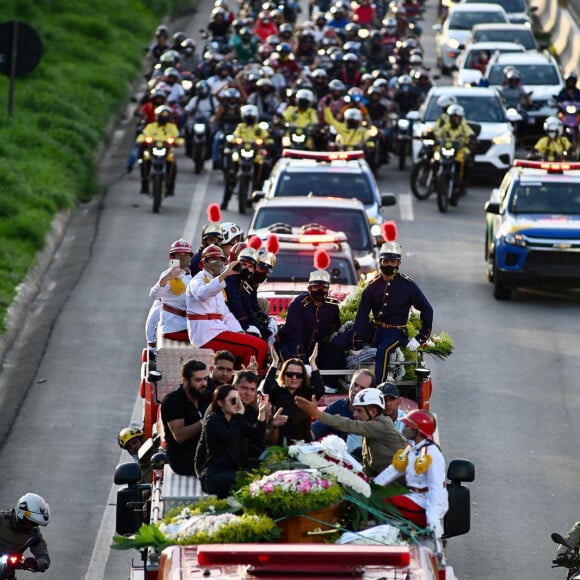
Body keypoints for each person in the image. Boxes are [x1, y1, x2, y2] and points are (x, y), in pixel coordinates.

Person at [335, 240, 433, 384]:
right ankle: (332, 382)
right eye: (385, 261)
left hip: (396, 332)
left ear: (399, 263)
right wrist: (357, 338)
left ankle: (377, 388)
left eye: (392, 262)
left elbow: (427, 309)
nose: (388, 265)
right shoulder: (373, 285)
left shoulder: (408, 286)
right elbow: (362, 314)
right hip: (374, 329)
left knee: (383, 351)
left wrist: (420, 337)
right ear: (380, 261)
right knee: (337, 342)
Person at [186, 245, 269, 369]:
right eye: (214, 260)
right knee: (258, 346)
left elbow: (226, 313)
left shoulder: (218, 282)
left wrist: (240, 332)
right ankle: (248, 380)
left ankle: (240, 377)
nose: (218, 263)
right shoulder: (198, 280)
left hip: (218, 329)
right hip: (206, 334)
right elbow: (202, 294)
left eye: (221, 260)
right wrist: (223, 276)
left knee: (256, 343)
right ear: (204, 263)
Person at [295, 388, 407, 477]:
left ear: (373, 412)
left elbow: (348, 424)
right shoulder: (371, 426)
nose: (355, 415)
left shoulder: (380, 425)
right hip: (386, 476)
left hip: (399, 481)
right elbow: (368, 464)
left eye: (359, 410)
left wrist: (317, 413)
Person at [374, 410, 448, 540]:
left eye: (408, 426)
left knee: (381, 500)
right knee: (376, 495)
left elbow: (437, 489)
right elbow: (393, 471)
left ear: (418, 431)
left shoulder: (432, 454)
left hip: (424, 504)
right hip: (414, 496)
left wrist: (433, 520)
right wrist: (370, 487)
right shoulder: (413, 449)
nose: (404, 428)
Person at [195, 384, 269, 498]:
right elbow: (228, 437)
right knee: (247, 477)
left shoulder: (236, 419)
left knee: (271, 468)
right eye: (233, 401)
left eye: (239, 400)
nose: (238, 404)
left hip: (233, 469)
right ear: (220, 403)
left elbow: (257, 437)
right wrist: (239, 415)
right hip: (214, 475)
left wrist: (262, 413)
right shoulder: (212, 421)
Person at [277, 269, 343, 371]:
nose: (320, 290)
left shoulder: (332, 306)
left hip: (316, 350)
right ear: (309, 288)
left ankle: (330, 385)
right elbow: (295, 336)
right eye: (316, 287)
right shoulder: (298, 304)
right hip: (294, 347)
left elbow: (334, 327)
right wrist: (303, 362)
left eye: (324, 287)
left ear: (328, 289)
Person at [262, 344, 325, 445]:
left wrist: (312, 363)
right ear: (283, 375)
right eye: (289, 374)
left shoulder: (306, 394)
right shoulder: (278, 392)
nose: (294, 378)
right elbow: (267, 387)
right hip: (279, 444)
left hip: (303, 444)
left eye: (299, 375)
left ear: (303, 377)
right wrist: (275, 362)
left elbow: (319, 390)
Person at [161, 359, 211, 475]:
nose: (203, 383)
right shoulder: (173, 401)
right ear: (185, 381)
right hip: (183, 459)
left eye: (205, 379)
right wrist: (205, 421)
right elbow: (179, 435)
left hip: (205, 451)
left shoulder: (205, 395)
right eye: (198, 380)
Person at [311, 369, 376, 442]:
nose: (356, 389)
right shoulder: (336, 407)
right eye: (355, 384)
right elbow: (317, 428)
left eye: (362, 388)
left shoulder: (376, 414)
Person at [149, 239, 194, 343]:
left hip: (189, 325)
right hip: (173, 327)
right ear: (172, 258)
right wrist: (167, 278)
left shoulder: (194, 276)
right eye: (179, 255)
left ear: (191, 257)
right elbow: (153, 295)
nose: (183, 257)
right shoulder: (167, 275)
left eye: (186, 255)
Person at [136, 105, 183, 196]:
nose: (163, 118)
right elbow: (143, 135)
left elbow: (178, 137)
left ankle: (170, 186)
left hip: (167, 152)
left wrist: (179, 142)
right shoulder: (150, 126)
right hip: (152, 151)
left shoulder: (172, 127)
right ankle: (144, 183)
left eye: (166, 116)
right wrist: (140, 140)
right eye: (161, 116)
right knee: (143, 161)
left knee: (173, 164)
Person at [0, 493, 50, 574]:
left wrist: (36, 563)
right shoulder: (1, 519)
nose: (31, 526)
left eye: (35, 523)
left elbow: (44, 558)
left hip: (6, 573)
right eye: (30, 521)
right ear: (21, 515)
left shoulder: (34, 533)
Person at [433, 104, 475, 195]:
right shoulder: (446, 127)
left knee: (468, 162)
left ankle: (462, 184)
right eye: (453, 117)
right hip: (446, 149)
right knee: (435, 159)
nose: (455, 120)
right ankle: (435, 180)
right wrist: (431, 135)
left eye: (457, 118)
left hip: (460, 150)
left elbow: (469, 132)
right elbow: (437, 133)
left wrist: (472, 138)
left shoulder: (463, 126)